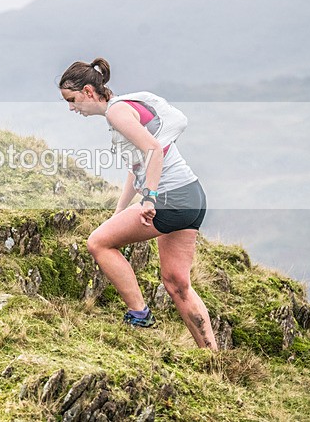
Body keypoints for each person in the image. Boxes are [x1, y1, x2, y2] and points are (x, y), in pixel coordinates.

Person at [58, 58, 217, 350]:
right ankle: (212, 357)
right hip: (192, 196)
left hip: (170, 198)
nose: (71, 108)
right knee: (177, 283)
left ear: (89, 92)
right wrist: (118, 214)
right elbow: (137, 167)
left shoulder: (117, 112)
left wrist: (150, 197)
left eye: (72, 100)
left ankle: (139, 314)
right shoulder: (125, 107)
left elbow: (153, 149)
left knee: (98, 243)